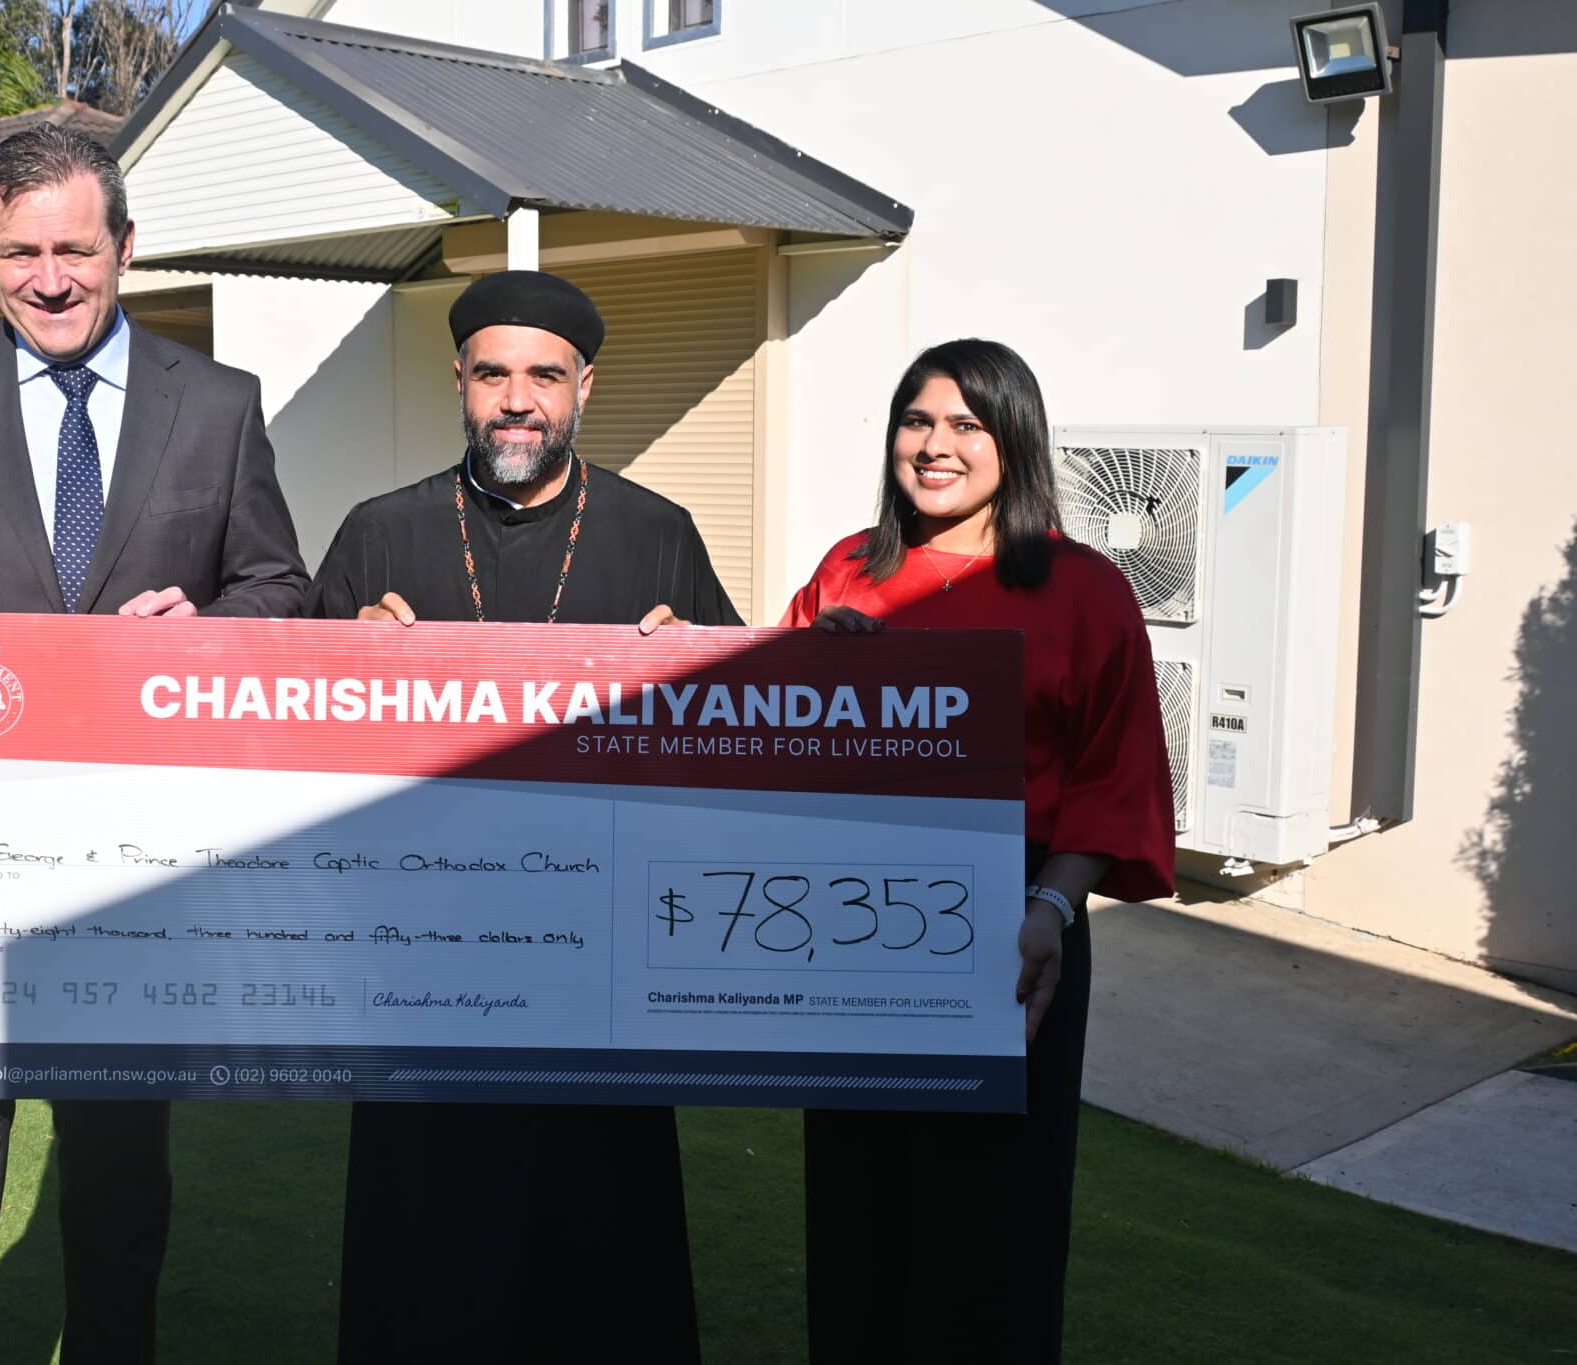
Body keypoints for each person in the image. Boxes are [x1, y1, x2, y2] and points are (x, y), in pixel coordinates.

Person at [0, 123, 308, 1365]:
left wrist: (209, 626)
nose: (49, 279)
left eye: (74, 249)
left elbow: (279, 588)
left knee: (119, 1149)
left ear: (124, 246)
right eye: (18, 253)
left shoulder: (217, 404)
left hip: (140, 848)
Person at [308, 270, 740, 1363]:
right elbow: (289, 759)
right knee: (425, 1267)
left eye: (543, 375)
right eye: (491, 374)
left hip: (598, 974)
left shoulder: (657, 534)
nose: (516, 400)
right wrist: (343, 668)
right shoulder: (378, 533)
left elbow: (741, 753)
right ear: (457, 380)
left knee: (600, 1259)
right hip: (422, 973)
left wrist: (692, 672)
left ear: (584, 386)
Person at [780, 338, 1173, 1363]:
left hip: (1016, 922)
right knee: (861, 1206)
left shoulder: (1084, 589)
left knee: (996, 1217)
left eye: (965, 423)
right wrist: (810, 670)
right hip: (858, 923)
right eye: (916, 420)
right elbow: (777, 745)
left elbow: (1114, 772)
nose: (935, 444)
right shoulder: (846, 571)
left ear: (1014, 440)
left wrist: (1052, 910)